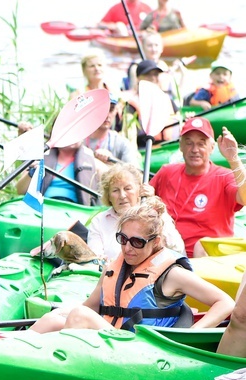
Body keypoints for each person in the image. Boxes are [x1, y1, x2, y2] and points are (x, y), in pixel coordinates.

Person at [30, 198, 233, 334]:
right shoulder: (114, 268)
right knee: (54, 318)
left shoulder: (173, 274)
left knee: (78, 316)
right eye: (123, 239)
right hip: (113, 337)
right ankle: (8, 352)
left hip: (141, 347)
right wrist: (59, 312)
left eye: (137, 242)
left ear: (156, 241)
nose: (127, 248)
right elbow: (89, 307)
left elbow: (225, 303)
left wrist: (191, 335)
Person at [149, 117, 246, 257]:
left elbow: (245, 198)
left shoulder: (224, 176)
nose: (195, 150)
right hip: (166, 256)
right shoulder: (166, 172)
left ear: (212, 147)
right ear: (181, 146)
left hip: (207, 259)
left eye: (201, 144)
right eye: (189, 143)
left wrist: (233, 159)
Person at [88, 162, 184, 260]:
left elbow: (178, 248)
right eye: (115, 190)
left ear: (140, 190)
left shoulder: (153, 214)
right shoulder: (99, 221)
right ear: (108, 196)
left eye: (127, 188)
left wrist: (158, 212)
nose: (122, 195)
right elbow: (95, 258)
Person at [16, 141, 102, 206]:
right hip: (43, 206)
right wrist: (32, 173)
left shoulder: (94, 162)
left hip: (77, 210)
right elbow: (20, 190)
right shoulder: (40, 157)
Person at [122, 59, 179, 147]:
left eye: (155, 74)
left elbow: (178, 121)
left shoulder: (166, 99)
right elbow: (130, 136)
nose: (153, 78)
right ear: (138, 78)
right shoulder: (131, 105)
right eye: (148, 75)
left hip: (168, 146)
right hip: (145, 148)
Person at [84, 95, 140, 166]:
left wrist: (113, 161)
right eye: (103, 110)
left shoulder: (123, 144)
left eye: (111, 109)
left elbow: (135, 174)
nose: (107, 115)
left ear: (116, 111)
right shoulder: (78, 140)